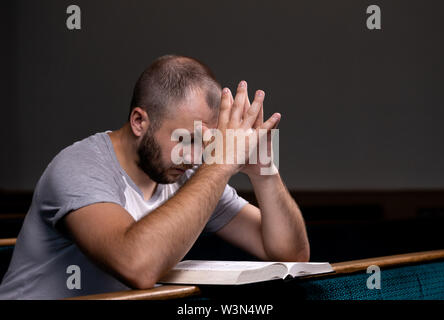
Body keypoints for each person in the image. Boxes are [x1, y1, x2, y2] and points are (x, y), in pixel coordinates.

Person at [0, 55, 309, 299]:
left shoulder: (188, 176)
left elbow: (290, 253)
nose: (192, 158)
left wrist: (265, 173)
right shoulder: (79, 167)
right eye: (185, 140)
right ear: (139, 121)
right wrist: (220, 163)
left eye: (204, 143)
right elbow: (137, 265)